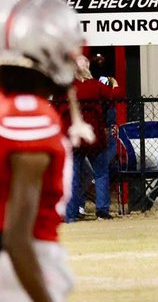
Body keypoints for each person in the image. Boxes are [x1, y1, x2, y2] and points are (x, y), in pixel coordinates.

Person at [0, 0, 93, 302]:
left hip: (4, 255)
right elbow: (17, 236)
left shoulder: (5, 103)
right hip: (23, 257)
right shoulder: (29, 116)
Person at [54, 56, 119, 221]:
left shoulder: (65, 88)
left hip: (73, 136)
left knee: (73, 175)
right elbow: (114, 96)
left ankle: (70, 213)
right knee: (101, 172)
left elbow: (56, 106)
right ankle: (102, 210)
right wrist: (115, 84)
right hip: (93, 136)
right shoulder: (96, 86)